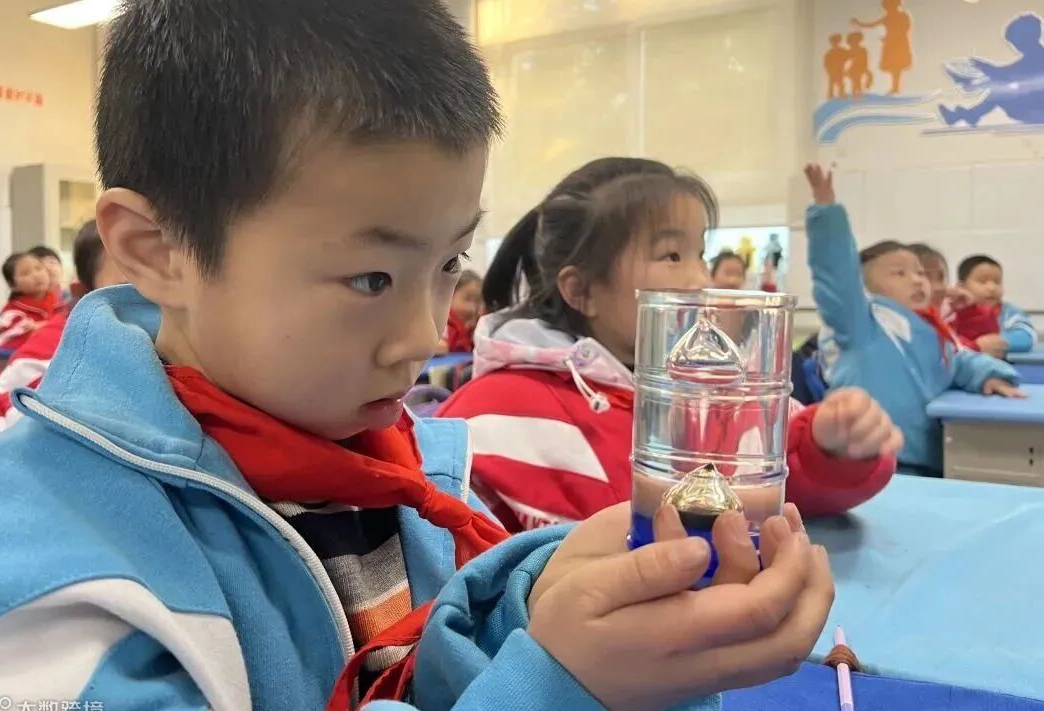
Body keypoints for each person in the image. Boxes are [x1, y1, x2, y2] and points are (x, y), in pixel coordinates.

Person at [0, 0, 832, 711]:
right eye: (371, 277)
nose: (423, 337)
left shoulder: (400, 474)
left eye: (449, 262)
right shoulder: (40, 583)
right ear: (158, 251)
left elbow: (425, 687)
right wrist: (559, 694)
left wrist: (542, 607)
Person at [439, 158, 901, 531]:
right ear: (582, 290)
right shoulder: (493, 418)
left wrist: (828, 446)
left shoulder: (713, 386)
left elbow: (774, 490)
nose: (701, 279)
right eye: (672, 256)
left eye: (700, 254)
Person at [804, 164, 1021, 477]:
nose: (918, 280)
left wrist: (988, 375)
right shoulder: (861, 323)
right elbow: (836, 274)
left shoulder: (928, 330)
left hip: (922, 459)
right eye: (900, 273)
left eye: (920, 273)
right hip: (867, 462)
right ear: (864, 287)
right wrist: (827, 213)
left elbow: (959, 361)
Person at [0, 221, 126, 435]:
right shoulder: (63, 334)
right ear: (84, 293)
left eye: (39, 269)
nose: (38, 275)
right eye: (130, 288)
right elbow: (7, 401)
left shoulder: (56, 304)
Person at [952, 254, 1037, 358]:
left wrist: (997, 342)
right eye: (983, 281)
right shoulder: (952, 312)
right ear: (961, 287)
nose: (992, 288)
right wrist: (974, 345)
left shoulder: (1010, 313)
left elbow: (1027, 336)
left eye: (997, 282)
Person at [0, 251, 60, 352]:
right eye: (26, 273)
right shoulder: (11, 314)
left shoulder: (60, 304)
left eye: (39, 268)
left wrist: (40, 326)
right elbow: (9, 342)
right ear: (13, 285)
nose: (36, 275)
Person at [852, 0, 913, 95]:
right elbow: (872, 24)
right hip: (892, 44)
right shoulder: (889, 17)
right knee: (894, 67)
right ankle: (895, 88)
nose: (886, 9)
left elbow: (905, 28)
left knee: (896, 66)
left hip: (898, 44)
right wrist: (859, 23)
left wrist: (890, 37)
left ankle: (895, 88)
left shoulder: (903, 16)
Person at [441, 269, 482, 353]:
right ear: (450, 296)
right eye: (468, 299)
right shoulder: (443, 323)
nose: (472, 308)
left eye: (477, 301)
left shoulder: (477, 326)